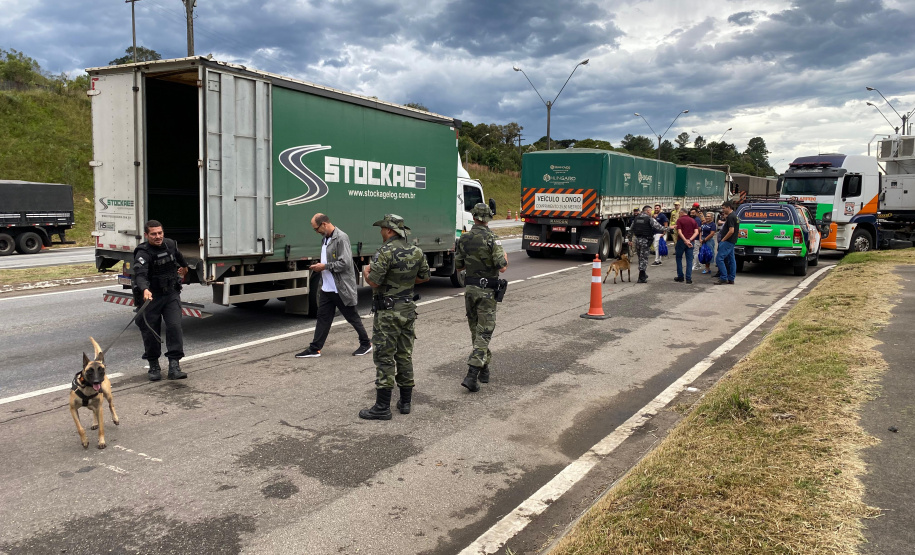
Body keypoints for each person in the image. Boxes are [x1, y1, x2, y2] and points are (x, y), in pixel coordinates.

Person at [359, 214, 430, 420]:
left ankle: (382, 407)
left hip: (388, 312)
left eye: (382, 228)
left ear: (389, 231)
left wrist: (366, 273)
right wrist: (405, 282)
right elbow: (424, 277)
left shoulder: (385, 251)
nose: (381, 232)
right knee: (404, 354)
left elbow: (374, 282)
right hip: (408, 309)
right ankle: (405, 402)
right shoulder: (416, 251)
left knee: (384, 356)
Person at [295, 213, 372, 359]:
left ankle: (366, 343)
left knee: (352, 317)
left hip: (340, 288)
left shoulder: (341, 238)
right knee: (323, 318)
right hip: (327, 287)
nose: (316, 232)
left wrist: (324, 267)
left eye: (316, 229)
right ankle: (315, 348)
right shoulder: (325, 238)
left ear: (324, 224)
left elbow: (345, 263)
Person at [456, 203, 508, 392]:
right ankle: (472, 373)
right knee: (485, 332)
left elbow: (459, 266)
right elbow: (502, 266)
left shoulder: (464, 238)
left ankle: (484, 368)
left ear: (474, 216)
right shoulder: (492, 239)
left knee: (476, 331)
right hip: (487, 292)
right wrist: (505, 257)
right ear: (488, 218)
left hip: (470, 289)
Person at [133, 220, 189, 381]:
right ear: (146, 235)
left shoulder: (170, 244)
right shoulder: (143, 252)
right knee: (150, 331)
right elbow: (140, 275)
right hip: (152, 297)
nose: (158, 237)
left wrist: (184, 268)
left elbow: (179, 257)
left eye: (160, 233)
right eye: (153, 234)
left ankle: (174, 365)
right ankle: (153, 365)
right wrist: (145, 289)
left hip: (171, 294)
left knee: (174, 327)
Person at [628, 205, 667, 283]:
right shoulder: (649, 219)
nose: (651, 212)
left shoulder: (636, 219)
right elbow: (659, 227)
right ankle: (641, 277)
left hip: (637, 240)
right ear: (648, 211)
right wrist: (669, 228)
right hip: (645, 241)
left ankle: (643, 274)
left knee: (640, 258)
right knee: (644, 259)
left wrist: (630, 240)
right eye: (650, 211)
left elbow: (630, 230)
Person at [715, 200, 739, 285]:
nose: (723, 210)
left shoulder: (730, 217)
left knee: (719, 259)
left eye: (724, 208)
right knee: (731, 260)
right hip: (732, 241)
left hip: (728, 241)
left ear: (729, 208)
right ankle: (731, 278)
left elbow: (731, 230)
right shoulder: (735, 216)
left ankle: (723, 277)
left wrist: (723, 239)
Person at [674, 208, 700, 284]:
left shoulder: (679, 220)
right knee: (689, 260)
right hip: (691, 241)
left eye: (679, 213)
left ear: (682, 213)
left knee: (679, 258)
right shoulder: (693, 220)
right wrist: (690, 240)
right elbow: (696, 232)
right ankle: (688, 278)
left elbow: (679, 232)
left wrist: (685, 240)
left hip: (681, 241)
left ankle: (680, 276)